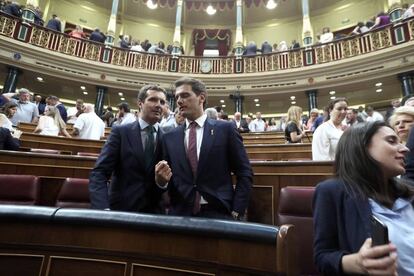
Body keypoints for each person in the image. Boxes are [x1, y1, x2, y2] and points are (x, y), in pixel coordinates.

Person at [313, 121, 414, 275]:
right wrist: (357, 262)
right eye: (391, 141)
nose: (405, 148)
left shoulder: (407, 192)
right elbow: (322, 258)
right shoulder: (332, 191)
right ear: (362, 147)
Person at [155, 77, 253, 219]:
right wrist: (161, 182)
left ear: (201, 97)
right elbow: (165, 178)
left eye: (185, 95)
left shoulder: (226, 129)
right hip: (180, 213)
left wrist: (237, 210)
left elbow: (244, 172)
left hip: (219, 211)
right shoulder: (169, 137)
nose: (179, 101)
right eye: (177, 97)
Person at [89, 85, 167, 213]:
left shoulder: (168, 138)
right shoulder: (121, 132)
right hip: (121, 212)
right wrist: (102, 209)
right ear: (140, 103)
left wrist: (162, 183)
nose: (159, 105)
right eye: (153, 100)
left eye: (162, 102)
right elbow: (100, 173)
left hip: (155, 214)